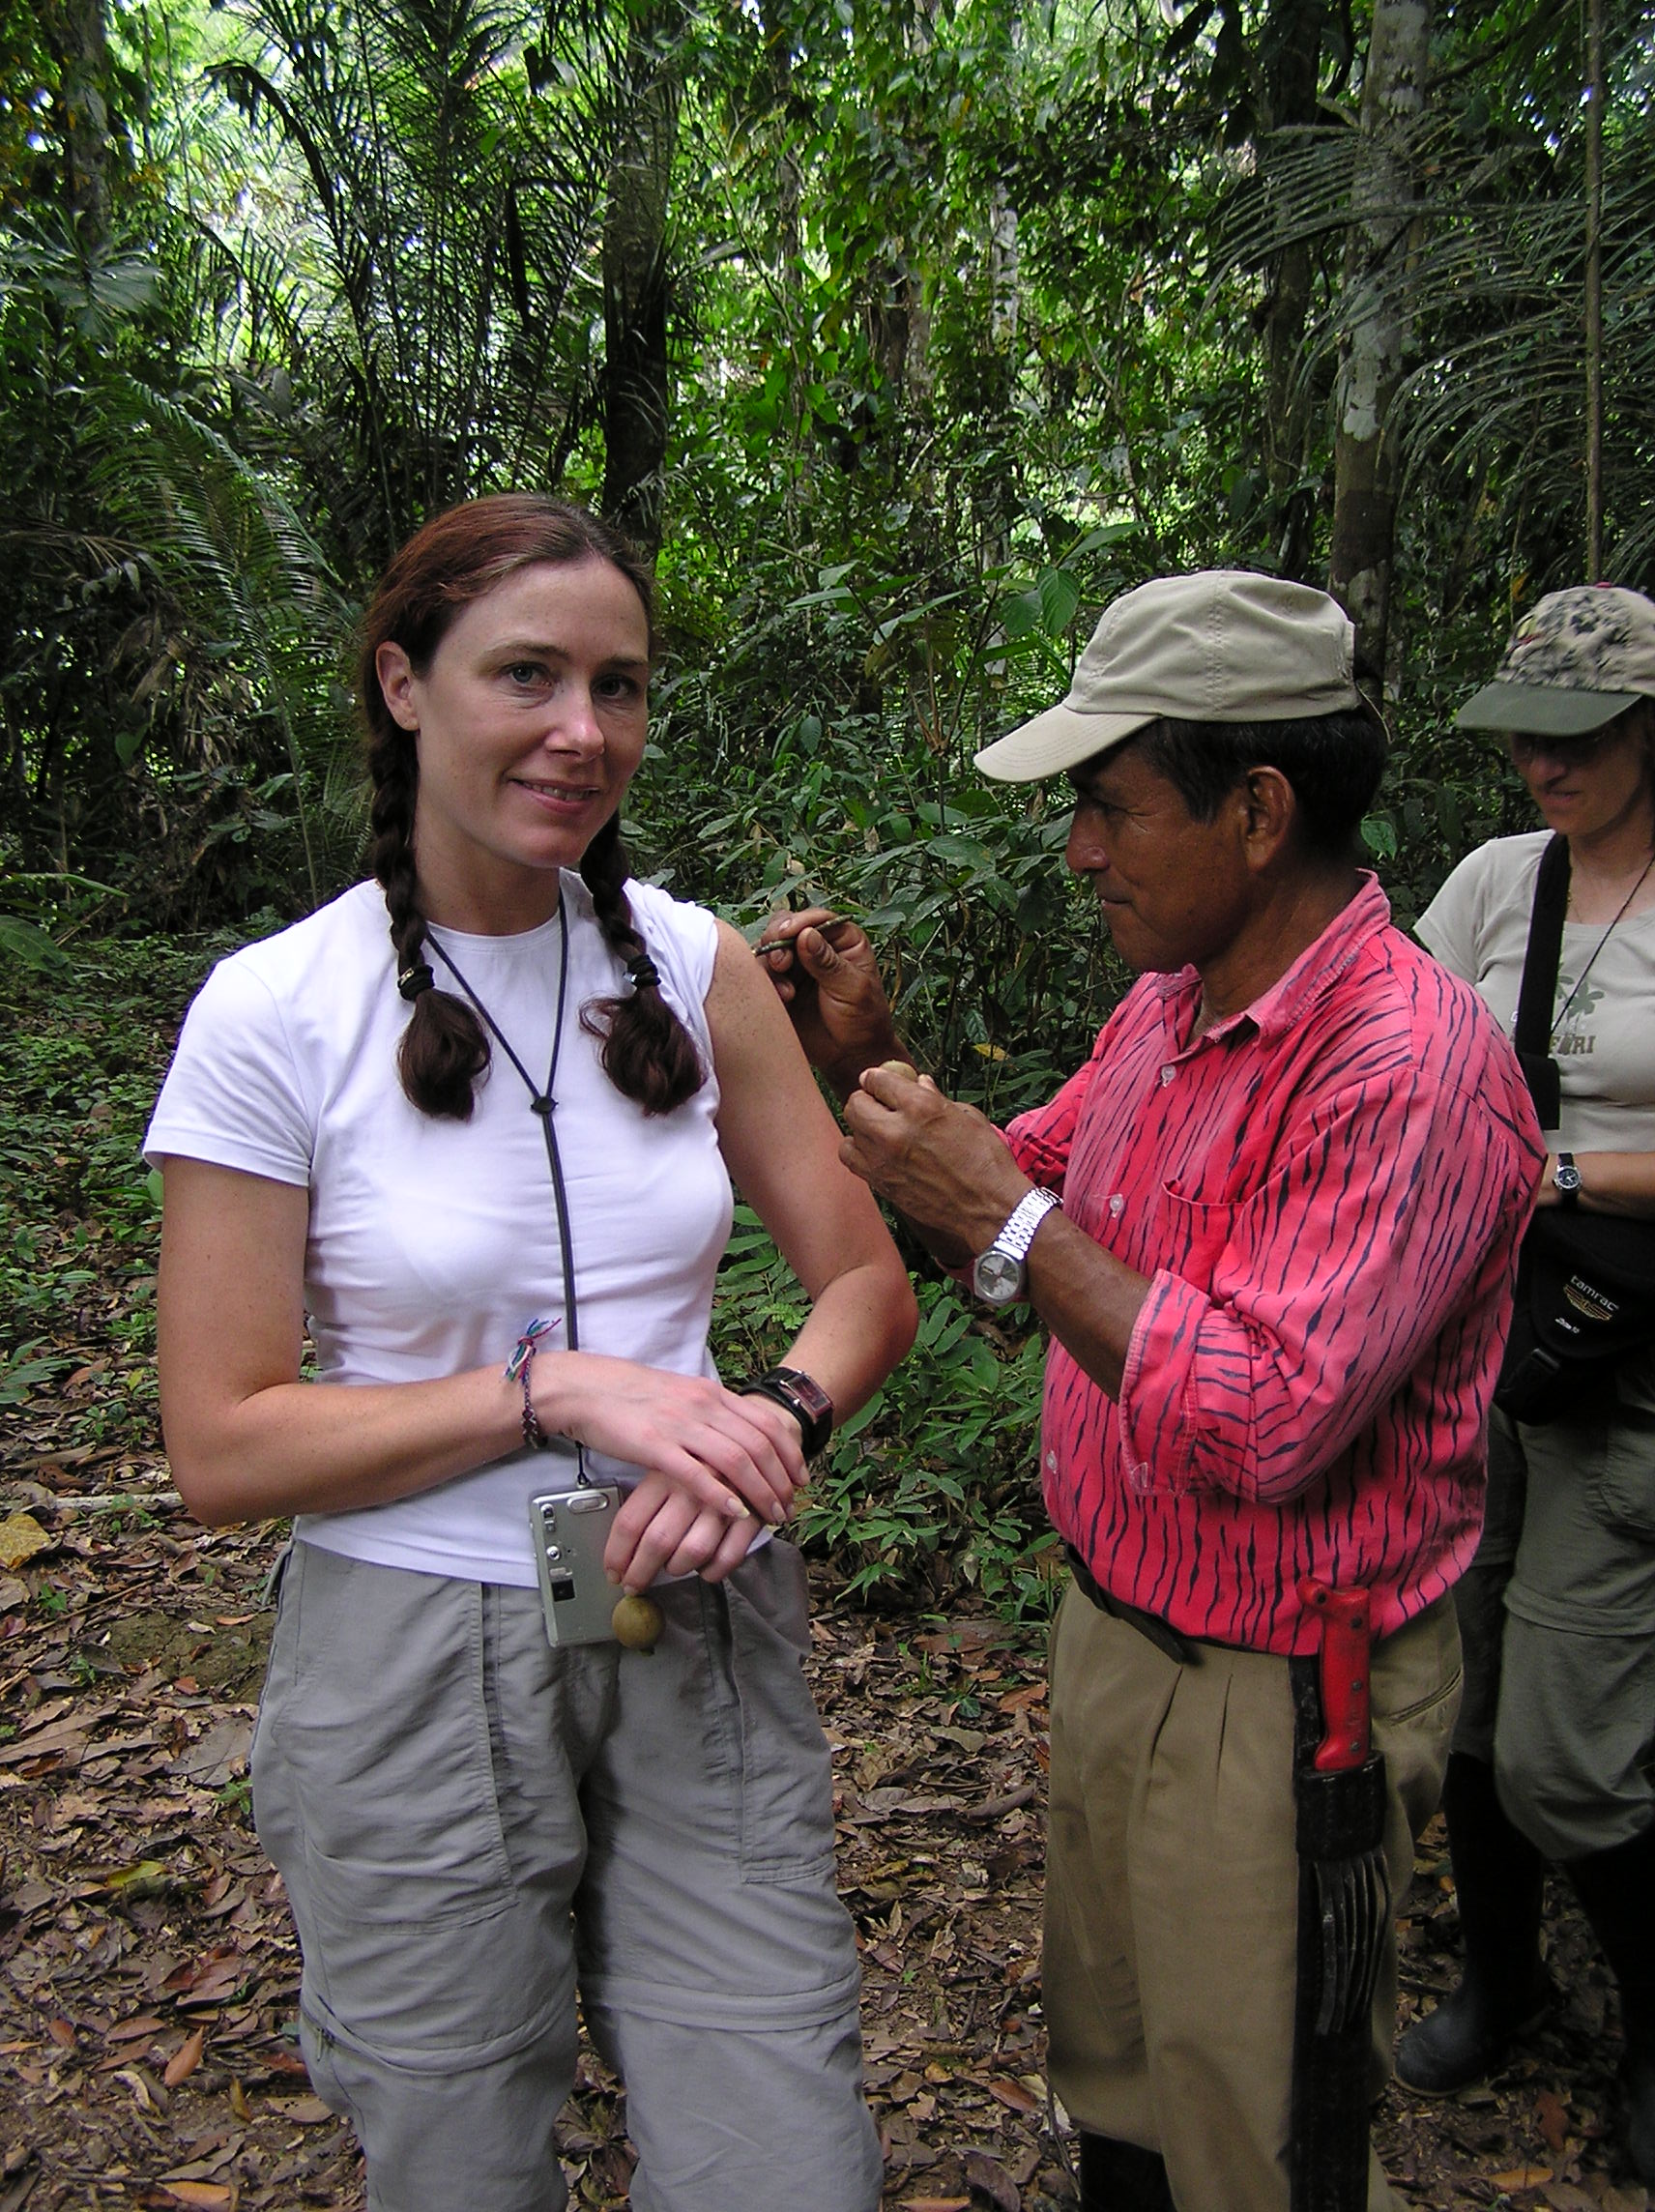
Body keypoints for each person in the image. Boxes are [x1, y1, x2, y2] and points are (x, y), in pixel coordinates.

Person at [145, 494, 916, 2212]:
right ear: (402, 685)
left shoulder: (694, 966)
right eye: (527, 676)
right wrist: (546, 1388)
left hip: (698, 1616)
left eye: (617, 685)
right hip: (416, 1648)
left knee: (784, 2153)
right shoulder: (278, 1010)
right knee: (458, 2151)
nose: (583, 731)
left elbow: (866, 1283)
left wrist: (777, 1418)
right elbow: (221, 1445)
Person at [759, 570, 1543, 2212]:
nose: (1080, 852)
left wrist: (1005, 1215)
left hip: (1284, 1703)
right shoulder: (1171, 1007)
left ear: (1257, 811)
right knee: (1118, 2092)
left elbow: (1265, 1416)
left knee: (1258, 2141)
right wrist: (866, 1067)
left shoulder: (1410, 1066)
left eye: (1112, 808)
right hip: (1124, 1638)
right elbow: (1032, 1209)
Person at [1398, 586, 1655, 2183]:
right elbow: (1402, 1041)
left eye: (1579, 740)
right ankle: (1504, 1980)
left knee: (1571, 1746)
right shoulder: (1501, 881)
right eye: (1524, 742)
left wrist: (1557, 1171)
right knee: (1468, 1695)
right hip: (1490, 1340)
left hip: (1627, 1355)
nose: (1543, 768)